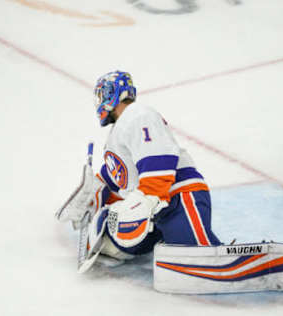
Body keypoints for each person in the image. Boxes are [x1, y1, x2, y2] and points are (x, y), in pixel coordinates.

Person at [58, 70, 220, 263]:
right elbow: (119, 180)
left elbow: (158, 160)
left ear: (111, 94)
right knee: (113, 233)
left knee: (198, 258)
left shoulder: (138, 115)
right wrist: (93, 196)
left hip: (179, 197)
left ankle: (237, 261)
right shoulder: (117, 133)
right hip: (155, 210)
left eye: (101, 96)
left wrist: (148, 197)